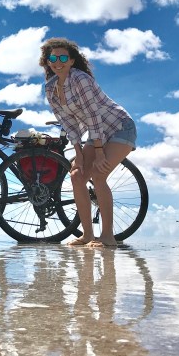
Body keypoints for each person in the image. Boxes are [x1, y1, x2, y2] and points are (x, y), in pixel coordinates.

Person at [39, 38, 136, 247]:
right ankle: (87, 235)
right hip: (96, 133)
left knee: (99, 175)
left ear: (72, 61)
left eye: (63, 57)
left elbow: (93, 115)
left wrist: (99, 153)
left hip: (119, 127)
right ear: (47, 62)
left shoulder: (80, 79)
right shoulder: (50, 88)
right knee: (77, 175)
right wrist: (79, 154)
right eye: (53, 58)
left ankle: (108, 236)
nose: (58, 62)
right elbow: (68, 123)